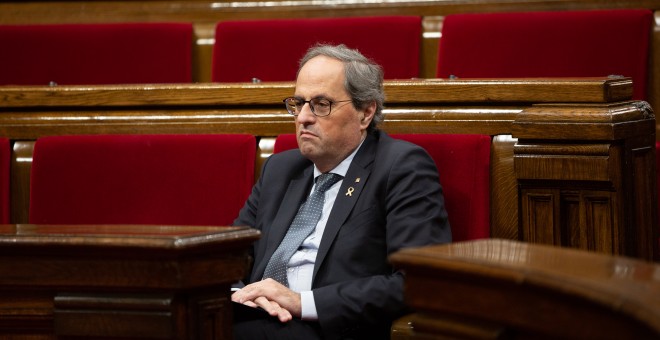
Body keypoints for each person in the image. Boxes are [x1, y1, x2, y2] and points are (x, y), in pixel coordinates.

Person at [231, 43, 451, 339]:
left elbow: (419, 282)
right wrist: (241, 295)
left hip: (327, 328)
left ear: (365, 113)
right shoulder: (280, 170)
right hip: (253, 316)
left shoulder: (401, 167)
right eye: (298, 104)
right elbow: (229, 258)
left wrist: (301, 303)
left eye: (322, 105)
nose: (303, 118)